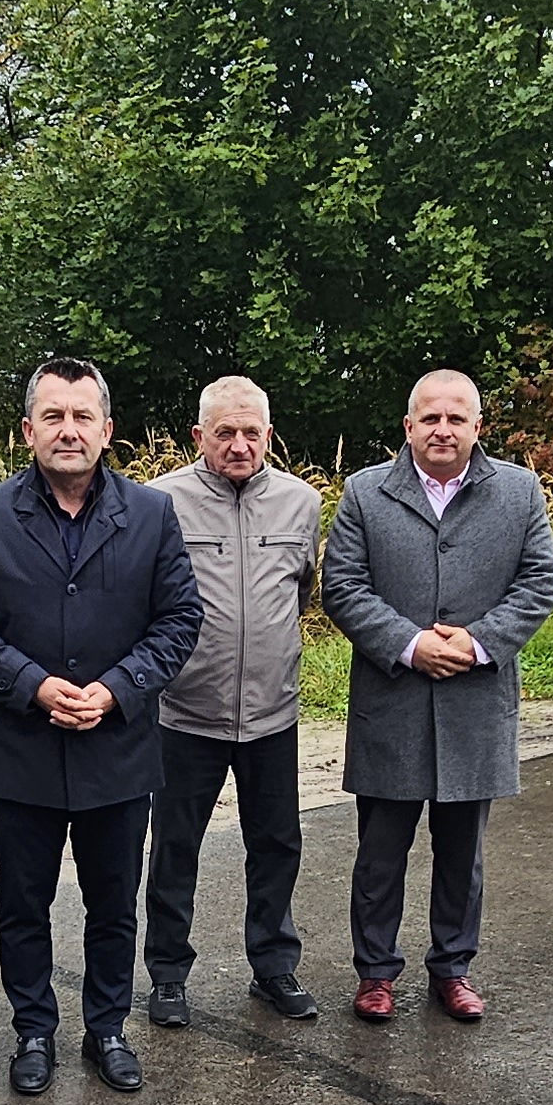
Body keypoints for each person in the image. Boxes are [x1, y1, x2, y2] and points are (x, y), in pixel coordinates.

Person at [0, 357, 203, 1097]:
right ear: (28, 430)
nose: (68, 430)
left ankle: (108, 1029)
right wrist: (33, 685)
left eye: (82, 416)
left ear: (107, 430)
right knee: (25, 905)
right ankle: (33, 1031)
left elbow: (182, 619)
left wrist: (117, 690)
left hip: (118, 749)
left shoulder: (151, 515)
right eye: (52, 416)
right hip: (25, 749)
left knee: (113, 906)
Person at [318, 366, 553, 1025]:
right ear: (409, 426)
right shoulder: (366, 493)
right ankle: (375, 974)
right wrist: (410, 644)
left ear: (478, 426)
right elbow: (340, 585)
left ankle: (452, 969)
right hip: (392, 701)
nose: (443, 429)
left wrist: (477, 643)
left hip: (475, 702)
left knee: (463, 854)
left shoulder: (518, 491)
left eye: (457, 418)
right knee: (379, 854)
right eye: (430, 418)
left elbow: (541, 580)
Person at [141, 375, 322, 1026]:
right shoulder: (159, 503)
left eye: (252, 433)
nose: (240, 445)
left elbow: (299, 594)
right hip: (185, 714)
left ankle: (273, 965)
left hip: (272, 712)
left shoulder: (302, 503)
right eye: (225, 433)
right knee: (174, 848)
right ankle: (166, 974)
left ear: (269, 435)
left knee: (276, 842)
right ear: (199, 437)